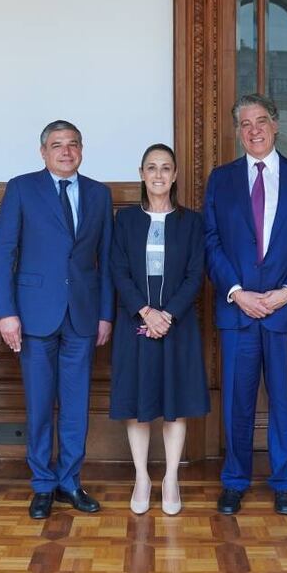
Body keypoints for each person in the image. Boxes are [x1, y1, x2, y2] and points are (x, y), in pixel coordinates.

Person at [203, 94, 287, 516]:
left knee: (282, 401)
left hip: (284, 310)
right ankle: (235, 480)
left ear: (275, 125)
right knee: (237, 401)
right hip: (238, 311)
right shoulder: (220, 180)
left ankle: (284, 481)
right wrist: (237, 292)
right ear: (237, 131)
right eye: (244, 123)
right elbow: (211, 242)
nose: (253, 130)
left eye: (260, 121)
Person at [0, 120, 114, 520]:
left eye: (73, 144)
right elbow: (2, 254)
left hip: (82, 314)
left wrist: (106, 314)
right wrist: (6, 312)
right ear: (42, 152)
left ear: (82, 149)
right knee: (40, 404)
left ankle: (70, 482)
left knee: (76, 405)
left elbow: (108, 261)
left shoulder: (99, 194)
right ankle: (42, 483)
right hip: (33, 315)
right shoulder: (22, 188)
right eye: (57, 145)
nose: (66, 151)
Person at [110, 144, 209, 516]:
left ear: (175, 175)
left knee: (174, 403)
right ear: (141, 173)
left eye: (166, 168)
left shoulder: (192, 222)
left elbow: (194, 274)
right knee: (138, 405)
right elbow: (118, 270)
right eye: (151, 168)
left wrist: (167, 316)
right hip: (135, 323)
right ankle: (141, 477)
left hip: (177, 326)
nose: (158, 175)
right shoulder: (125, 220)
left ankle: (170, 478)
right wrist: (146, 312)